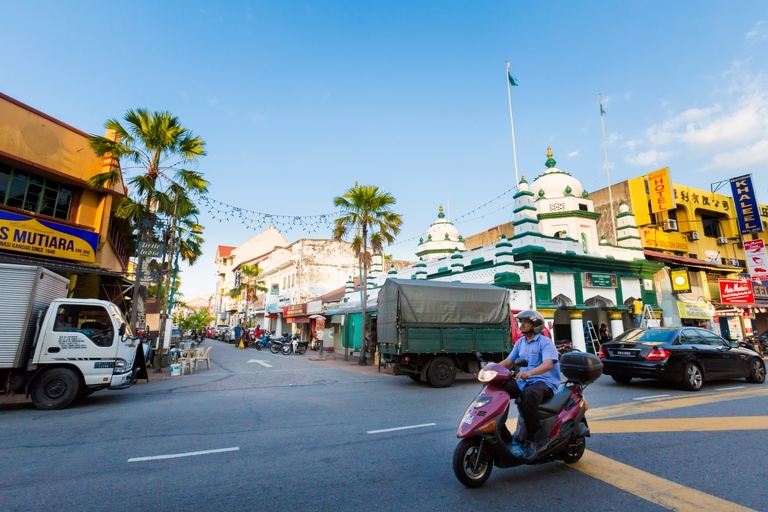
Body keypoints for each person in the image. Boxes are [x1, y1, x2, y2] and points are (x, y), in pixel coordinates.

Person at [499, 310, 560, 461]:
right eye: (521, 321)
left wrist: (530, 373)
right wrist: (491, 370)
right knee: (499, 389)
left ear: (536, 325)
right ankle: (503, 434)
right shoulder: (520, 342)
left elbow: (547, 364)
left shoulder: (545, 343)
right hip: (524, 381)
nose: (522, 324)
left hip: (544, 382)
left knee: (528, 396)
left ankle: (532, 438)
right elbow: (509, 361)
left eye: (526, 321)